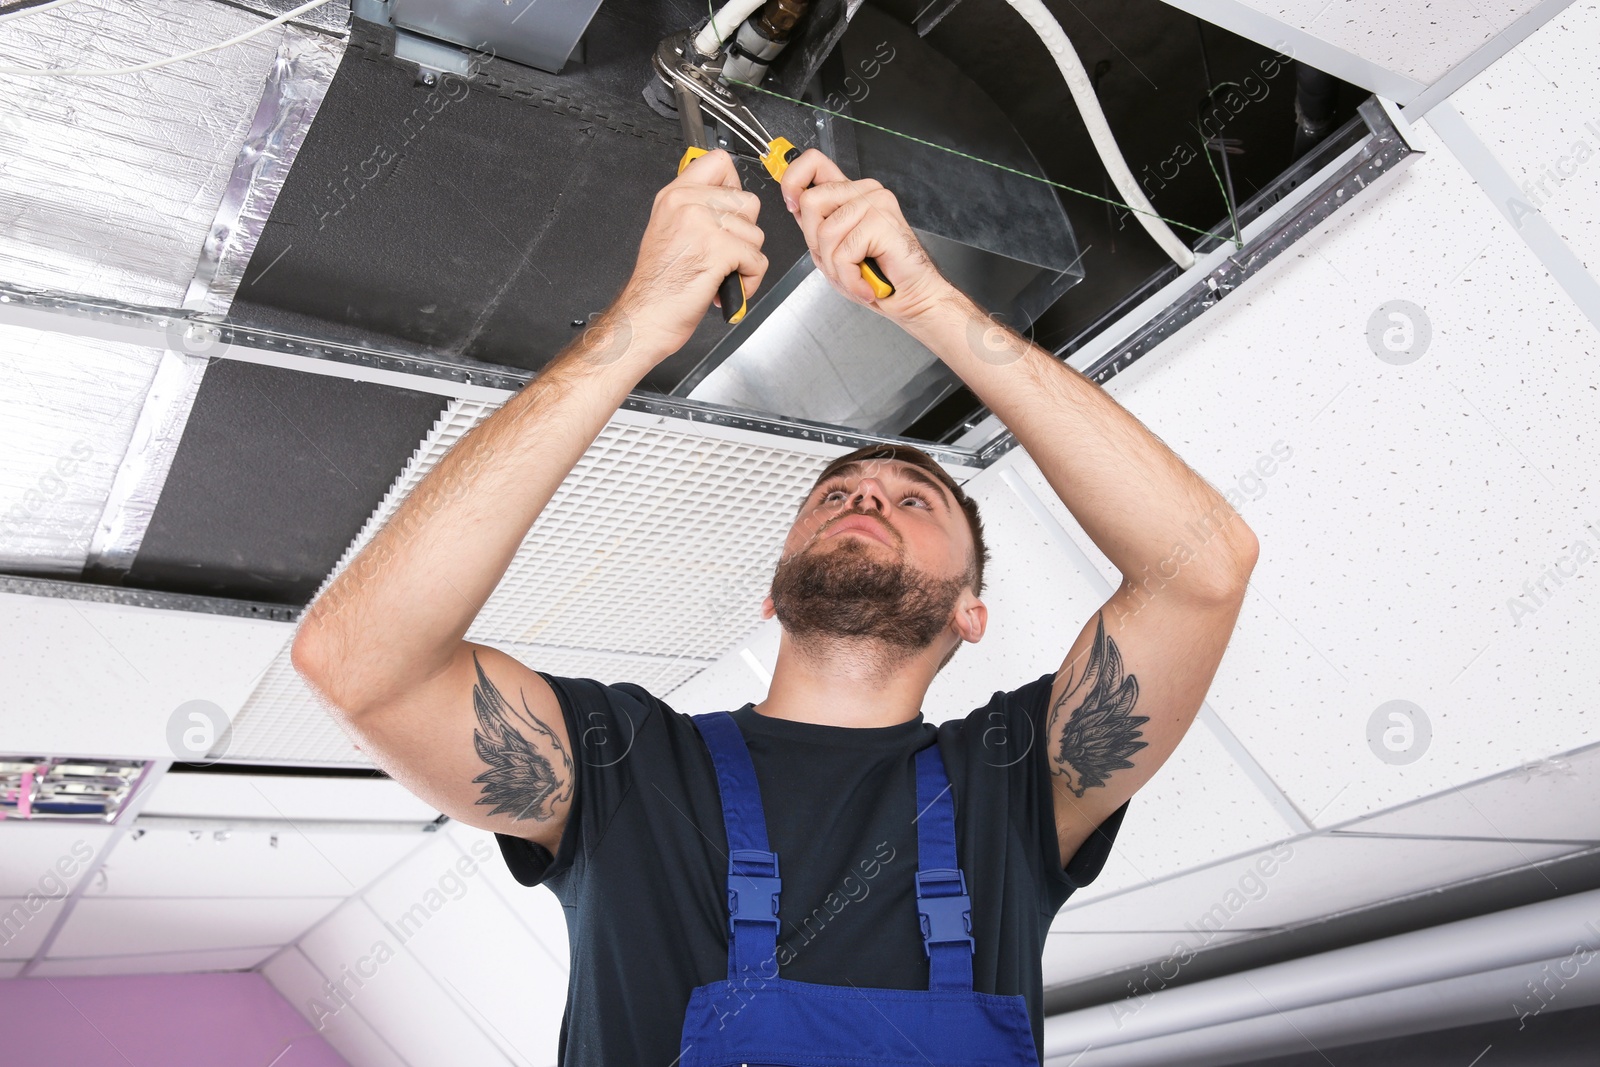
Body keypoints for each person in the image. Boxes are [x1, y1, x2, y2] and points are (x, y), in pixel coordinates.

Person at [290, 147, 1259, 1065]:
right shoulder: (619, 764)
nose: (867, 493)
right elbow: (359, 661)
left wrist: (926, 300)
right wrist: (640, 322)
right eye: (833, 495)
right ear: (772, 592)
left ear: (971, 610)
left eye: (913, 499)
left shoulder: (1020, 779)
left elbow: (1200, 567)